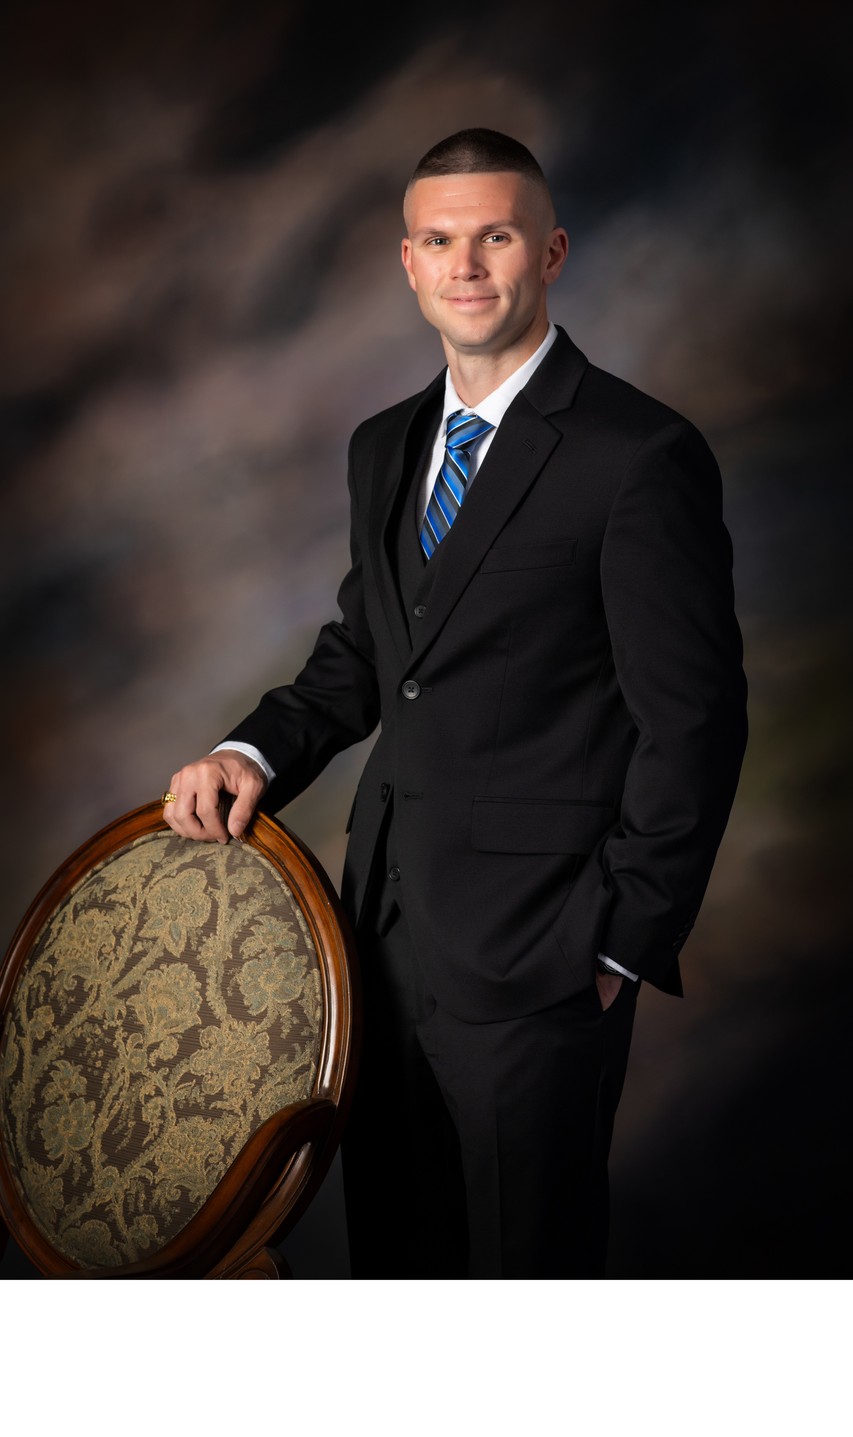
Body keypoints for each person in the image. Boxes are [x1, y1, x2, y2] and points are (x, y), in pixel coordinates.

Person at [162, 129, 748, 1278]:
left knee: (523, 1293)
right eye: (439, 241)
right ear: (409, 262)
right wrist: (251, 753)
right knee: (399, 1273)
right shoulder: (381, 448)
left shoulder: (638, 454)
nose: (465, 265)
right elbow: (367, 655)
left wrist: (619, 943)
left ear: (551, 252)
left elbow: (696, 721)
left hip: (546, 958)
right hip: (375, 949)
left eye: (495, 237)